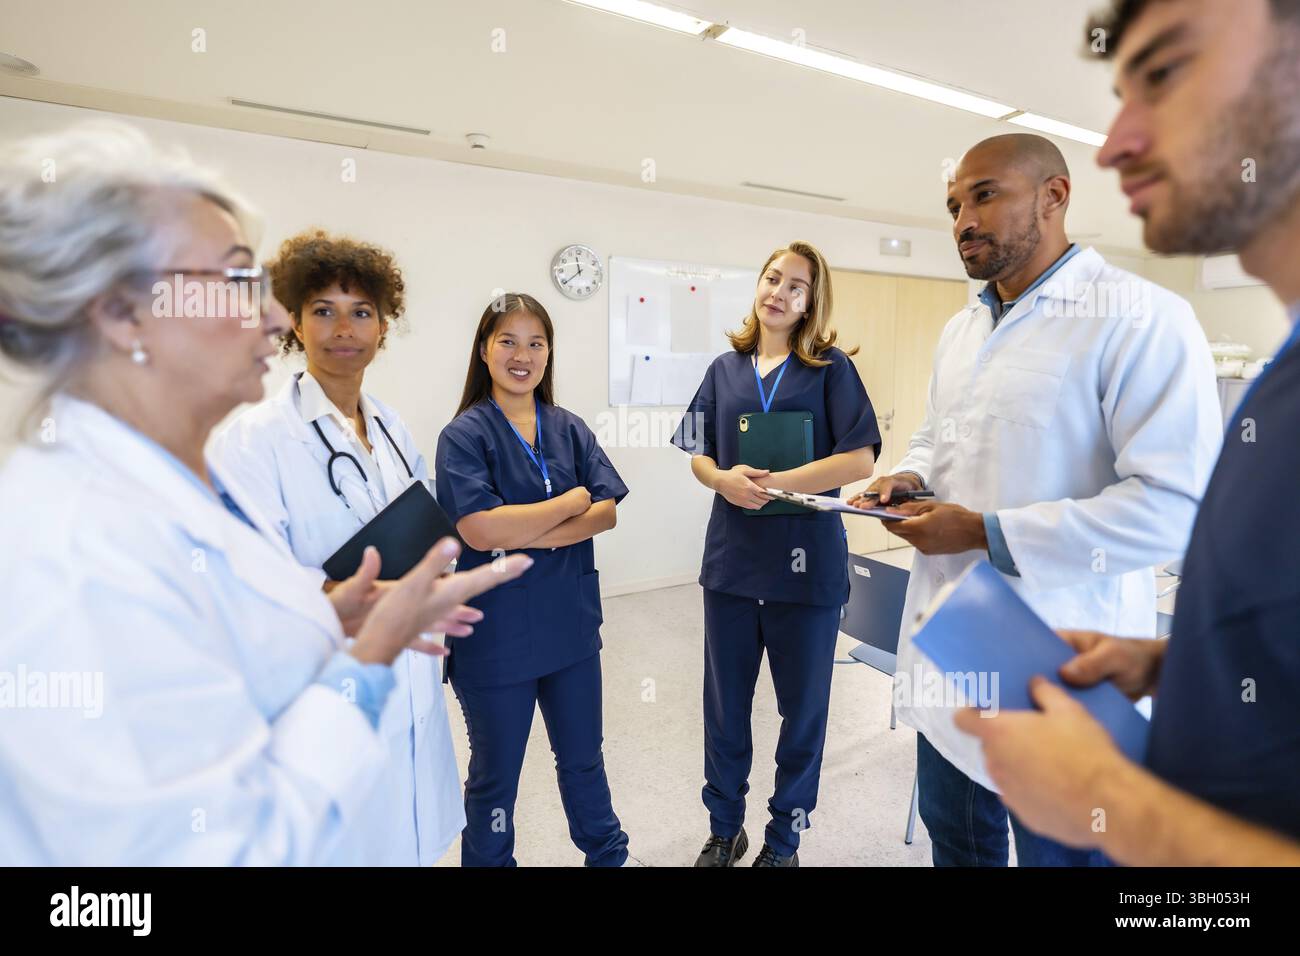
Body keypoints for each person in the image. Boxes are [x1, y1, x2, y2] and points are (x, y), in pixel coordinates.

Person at [0, 122, 531, 865]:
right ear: (122, 314)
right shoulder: (74, 552)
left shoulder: (159, 488)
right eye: (234, 280)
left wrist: (327, 613)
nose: (278, 317)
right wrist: (366, 653)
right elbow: (210, 850)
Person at [954, 0, 1300, 866]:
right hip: (992, 655)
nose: (1114, 142)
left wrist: (1115, 804)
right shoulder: (1278, 391)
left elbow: (1167, 510)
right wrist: (1175, 662)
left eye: (1168, 75)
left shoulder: (1146, 320)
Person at [848, 133, 1222, 866]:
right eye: (953, 204)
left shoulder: (1140, 317)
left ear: (1055, 196)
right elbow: (937, 437)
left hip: (1059, 660)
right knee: (957, 844)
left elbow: (1175, 506)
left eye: (984, 195)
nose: (962, 220)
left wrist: (987, 532)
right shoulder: (962, 330)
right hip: (954, 645)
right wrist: (910, 475)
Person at [210, 230, 464, 865]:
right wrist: (338, 594)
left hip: (408, 666)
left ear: (383, 326)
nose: (343, 328)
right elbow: (244, 580)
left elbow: (424, 525)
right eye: (323, 310)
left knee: (408, 834)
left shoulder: (392, 426)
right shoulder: (257, 439)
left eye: (361, 312)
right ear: (295, 321)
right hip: (324, 672)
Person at [671, 241, 880, 867]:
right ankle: (724, 827)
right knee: (725, 709)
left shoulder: (831, 368)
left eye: (797, 286)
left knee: (802, 713)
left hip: (806, 569)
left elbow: (861, 459)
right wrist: (720, 480)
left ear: (812, 301)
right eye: (772, 278)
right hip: (733, 566)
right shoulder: (724, 368)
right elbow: (698, 451)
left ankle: (784, 841)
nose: (780, 293)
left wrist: (782, 484)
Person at [435, 293, 631, 867]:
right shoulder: (464, 436)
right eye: (508, 341)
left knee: (583, 759)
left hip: (569, 628)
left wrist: (517, 532)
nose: (523, 355)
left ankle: (607, 855)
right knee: (495, 777)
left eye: (536, 343)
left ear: (549, 352)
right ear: (484, 349)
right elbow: (476, 528)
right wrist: (569, 503)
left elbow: (609, 511)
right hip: (495, 639)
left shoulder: (568, 428)